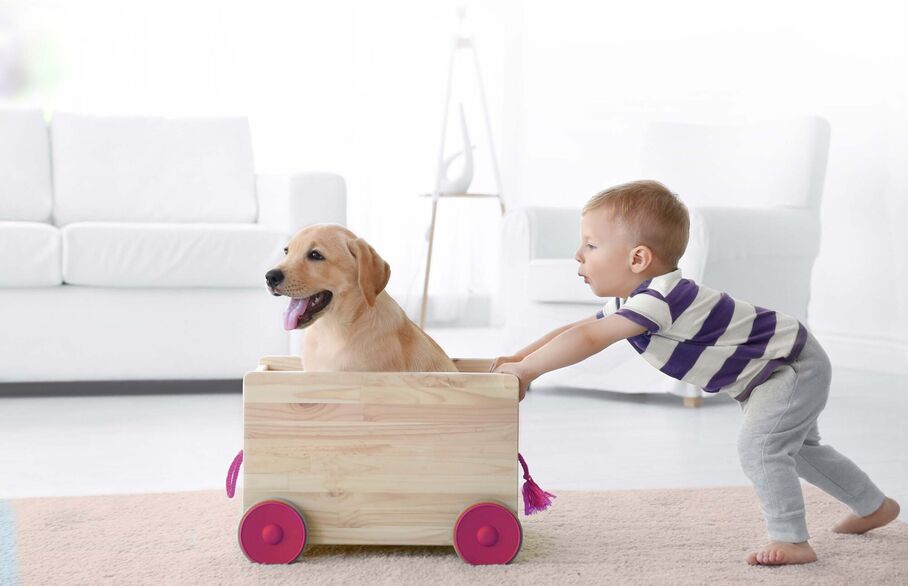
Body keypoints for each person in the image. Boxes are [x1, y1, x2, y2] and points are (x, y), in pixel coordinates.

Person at [492, 179, 900, 565]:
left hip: (791, 364)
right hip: (777, 368)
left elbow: (590, 338)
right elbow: (575, 329)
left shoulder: (661, 299)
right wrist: (520, 359)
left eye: (591, 245)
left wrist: (527, 371)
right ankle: (875, 506)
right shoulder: (634, 298)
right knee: (803, 453)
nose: (578, 255)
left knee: (761, 448)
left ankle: (791, 539)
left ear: (638, 258)